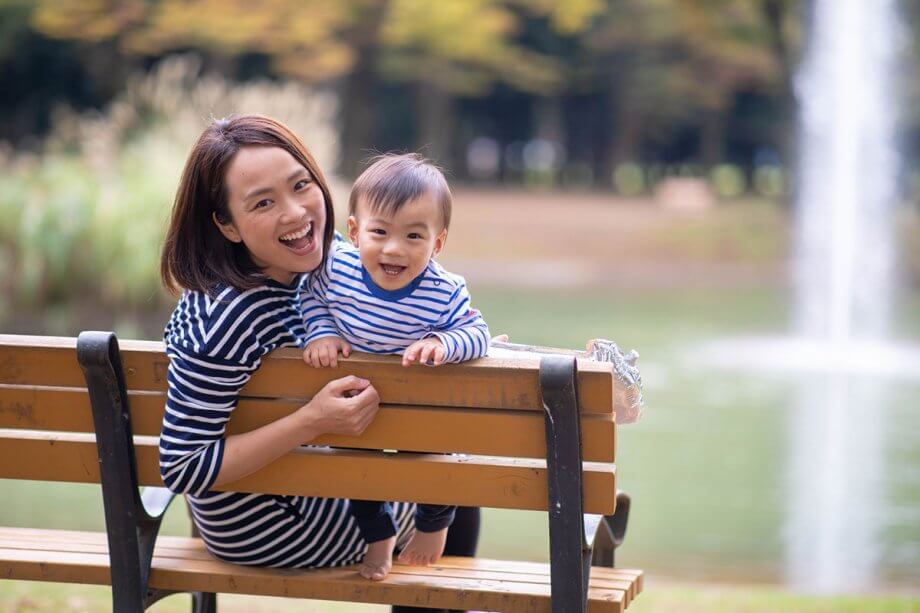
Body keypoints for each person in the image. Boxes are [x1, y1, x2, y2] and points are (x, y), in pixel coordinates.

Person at [158, 114, 479, 613]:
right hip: (270, 525)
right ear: (226, 224)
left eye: (301, 185)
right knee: (449, 482)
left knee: (441, 478)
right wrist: (313, 420)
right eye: (263, 202)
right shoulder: (229, 314)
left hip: (296, 490)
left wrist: (447, 342)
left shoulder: (310, 280)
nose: (296, 212)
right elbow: (182, 466)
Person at [300, 153, 490, 580]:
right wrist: (322, 331)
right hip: (357, 413)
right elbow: (310, 298)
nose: (393, 249)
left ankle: (433, 524)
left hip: (415, 414)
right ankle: (379, 535)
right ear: (353, 232)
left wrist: (442, 342)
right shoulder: (335, 268)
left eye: (413, 237)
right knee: (355, 470)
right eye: (380, 232)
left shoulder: (444, 291)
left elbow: (477, 332)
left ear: (437, 243)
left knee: (431, 455)